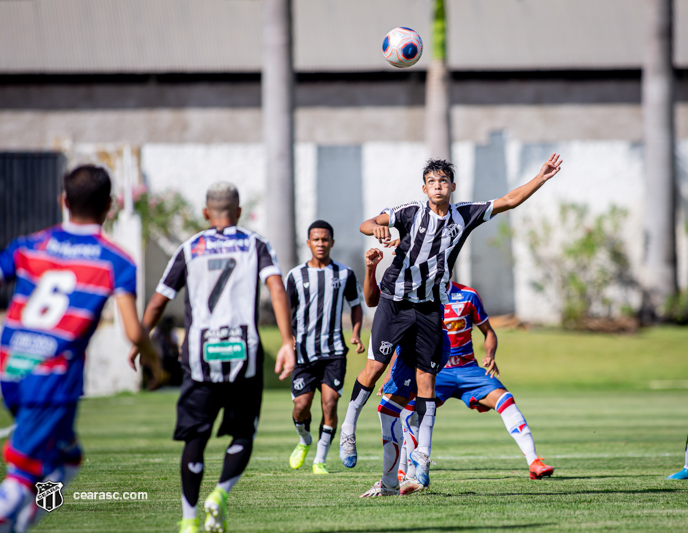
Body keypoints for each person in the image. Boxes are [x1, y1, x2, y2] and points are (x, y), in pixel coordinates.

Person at [340, 154, 563, 496]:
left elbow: (508, 201)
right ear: (425, 188)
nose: (438, 186)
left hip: (430, 308)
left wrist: (541, 177)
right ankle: (349, 428)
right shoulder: (411, 212)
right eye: (432, 182)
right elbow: (366, 224)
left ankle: (423, 458)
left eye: (443, 181)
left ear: (452, 187)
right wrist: (378, 228)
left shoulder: (465, 214)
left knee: (426, 382)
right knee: (373, 369)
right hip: (395, 302)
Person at [0, 165, 162, 532]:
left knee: (67, 461)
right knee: (23, 475)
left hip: (11, 368)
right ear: (110, 207)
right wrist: (153, 360)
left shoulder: (30, 245)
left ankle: (21, 524)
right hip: (52, 380)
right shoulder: (115, 260)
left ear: (63, 201)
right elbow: (133, 331)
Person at [129, 182, 295, 533]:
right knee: (243, 436)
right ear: (237, 212)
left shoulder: (190, 247)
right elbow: (276, 288)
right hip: (244, 353)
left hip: (199, 355)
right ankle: (219, 495)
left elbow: (159, 300)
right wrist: (287, 341)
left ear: (206, 213)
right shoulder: (255, 244)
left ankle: (189, 522)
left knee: (195, 439)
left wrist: (139, 339)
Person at [363, 248, 553, 496]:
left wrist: (490, 355)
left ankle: (533, 461)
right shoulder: (412, 296)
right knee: (408, 412)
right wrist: (391, 374)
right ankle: (405, 472)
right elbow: (402, 339)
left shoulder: (468, 295)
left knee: (506, 400)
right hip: (433, 371)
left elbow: (489, 332)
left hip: (467, 370)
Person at [285, 220, 364, 475]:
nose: (321, 244)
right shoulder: (296, 276)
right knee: (301, 407)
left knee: (329, 404)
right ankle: (304, 440)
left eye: (325, 239)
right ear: (308, 243)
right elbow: (285, 311)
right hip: (304, 353)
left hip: (334, 352)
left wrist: (356, 333)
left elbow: (356, 304)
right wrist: (289, 338)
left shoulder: (345, 274)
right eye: (316, 240)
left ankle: (320, 459)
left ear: (332, 242)